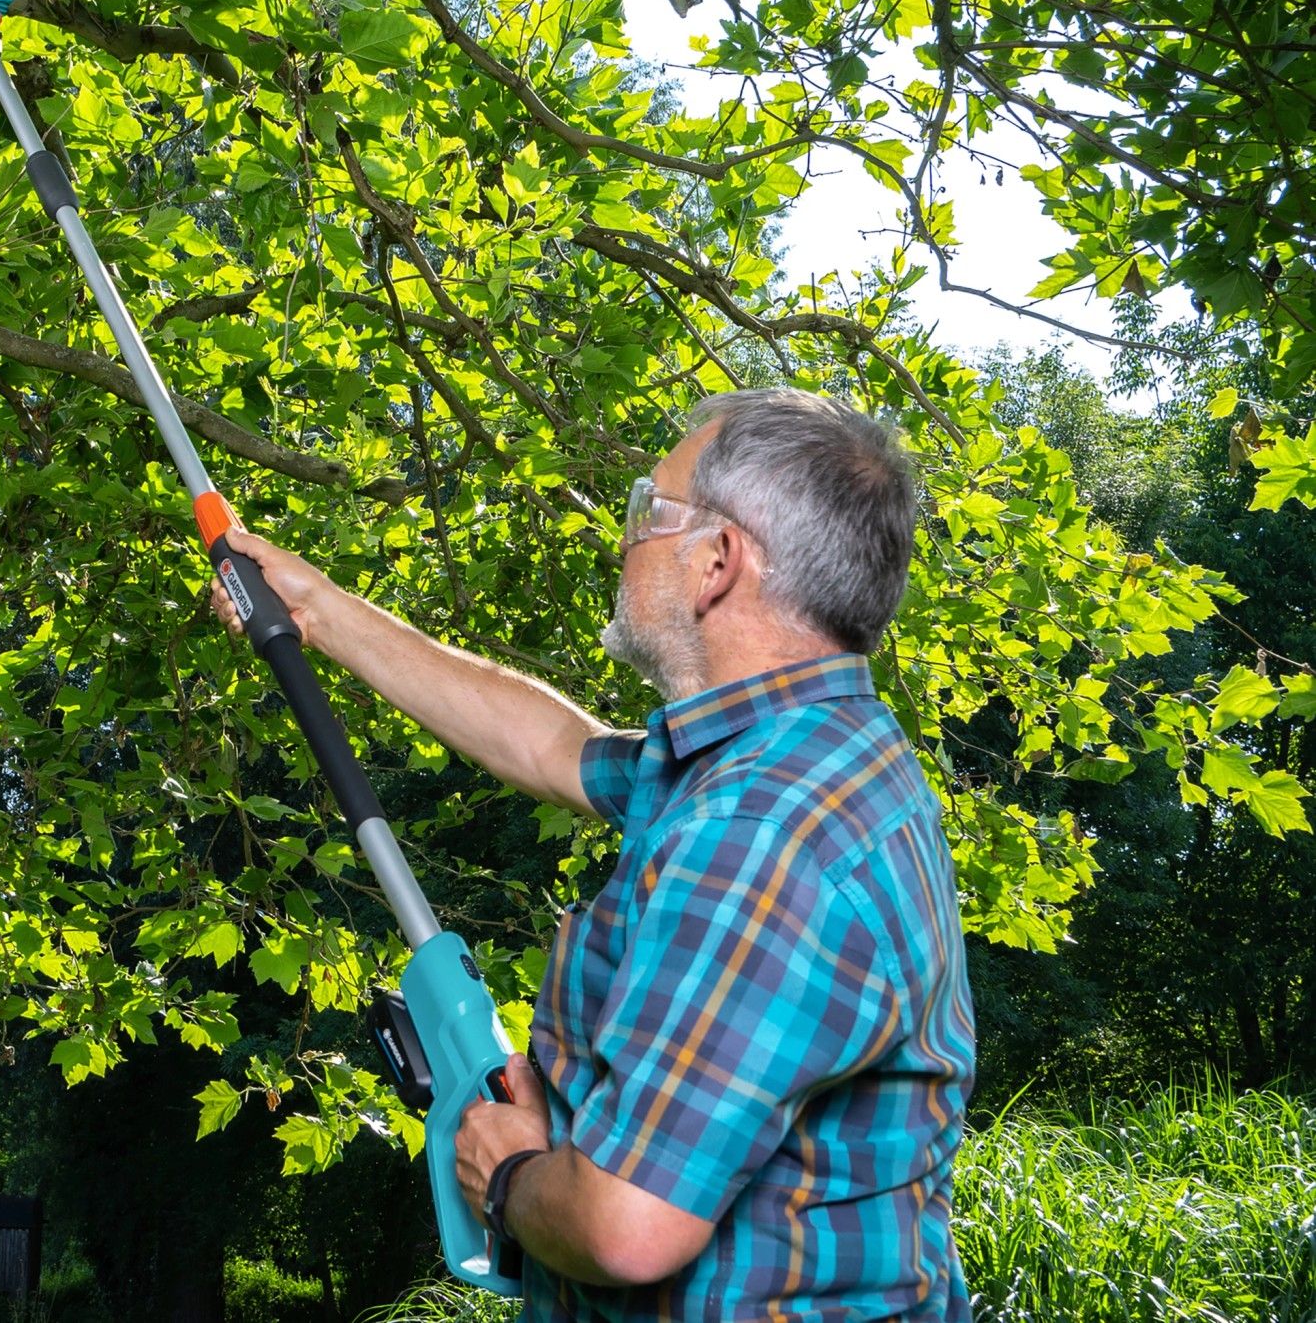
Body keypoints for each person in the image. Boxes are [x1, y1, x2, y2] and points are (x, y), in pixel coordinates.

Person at [211, 388, 976, 1322]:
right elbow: (547, 747)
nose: (625, 540)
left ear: (717, 564)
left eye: (649, 513)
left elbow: (627, 1227)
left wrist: (509, 1169)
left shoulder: (756, 834)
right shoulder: (798, 750)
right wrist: (319, 609)